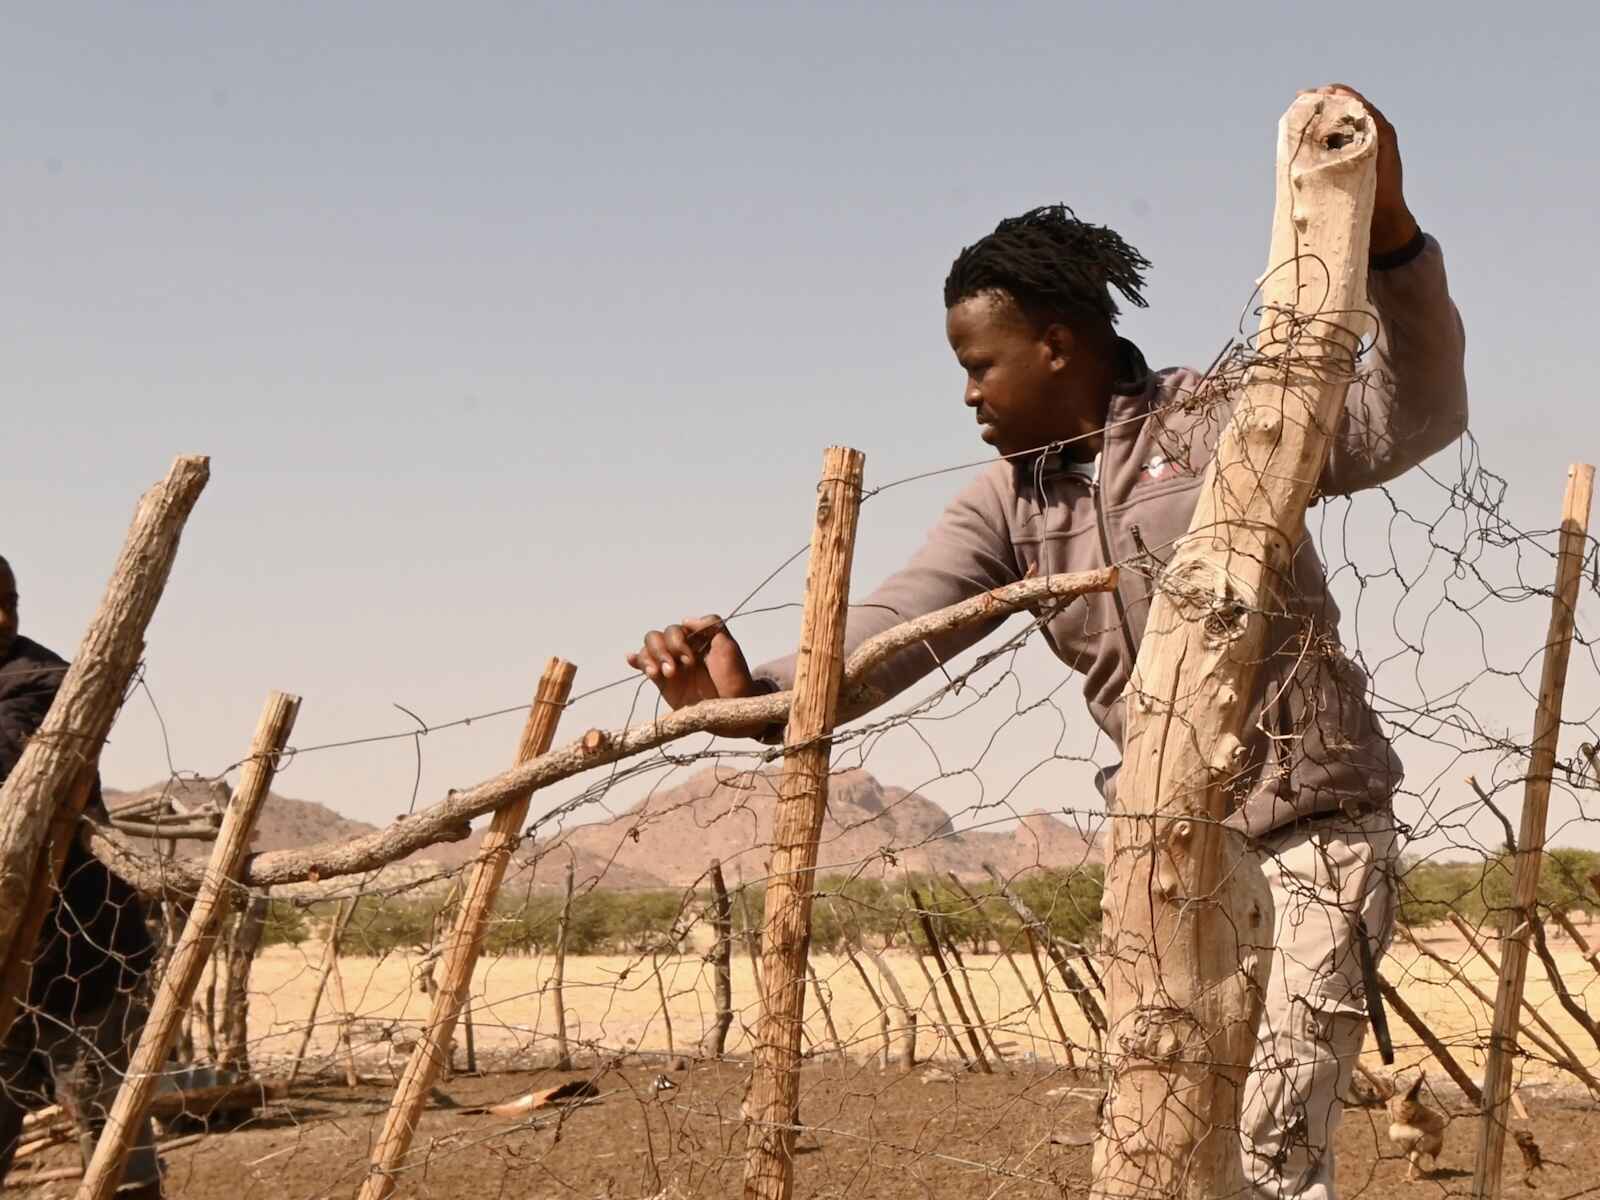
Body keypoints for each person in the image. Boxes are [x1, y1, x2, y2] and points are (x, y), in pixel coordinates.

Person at [626, 84, 1467, 1200]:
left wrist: (1395, 246)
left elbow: (1413, 416)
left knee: (1269, 1145)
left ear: (1057, 345)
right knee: (1162, 1137)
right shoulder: (1005, 507)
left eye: (979, 364)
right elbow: (885, 638)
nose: (968, 394)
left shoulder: (1217, 416)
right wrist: (749, 694)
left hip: (1315, 834)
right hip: (1167, 863)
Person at [0, 555, 164, 1197]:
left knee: (115, 1148)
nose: (3, 616)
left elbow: (13, 767)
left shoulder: (43, 681)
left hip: (79, 959)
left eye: (9, 599)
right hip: (6, 963)